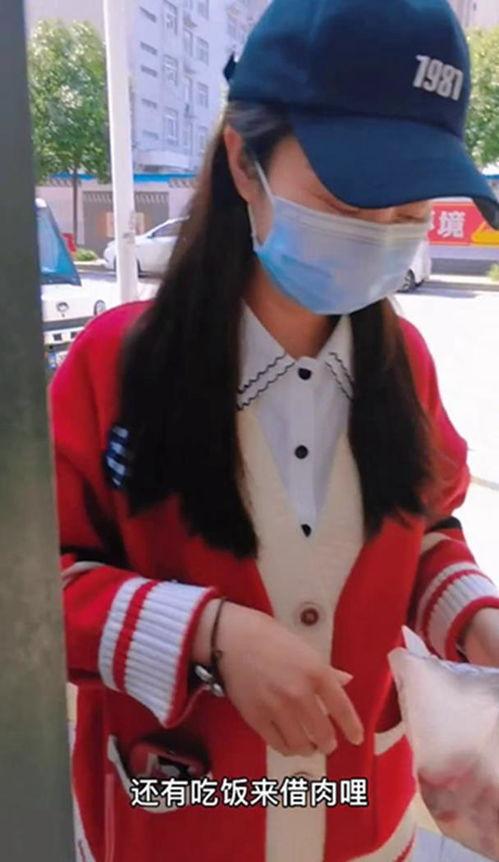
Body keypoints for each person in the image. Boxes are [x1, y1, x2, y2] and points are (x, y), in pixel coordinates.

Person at [51, 0, 499, 860]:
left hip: (358, 821)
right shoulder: (117, 366)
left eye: (409, 206)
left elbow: (425, 531)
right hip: (180, 817)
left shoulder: (404, 365)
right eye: (346, 195)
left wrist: (475, 617)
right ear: (242, 160)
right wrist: (207, 634)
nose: (381, 231)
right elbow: (35, 582)